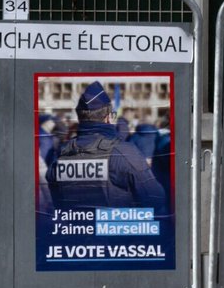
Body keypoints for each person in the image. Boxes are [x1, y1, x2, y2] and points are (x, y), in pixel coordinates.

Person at [45, 81, 165, 210]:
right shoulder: (123, 152)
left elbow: (57, 201)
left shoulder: (61, 154)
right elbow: (155, 200)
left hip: (75, 222)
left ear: (80, 118)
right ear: (109, 118)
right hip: (116, 222)